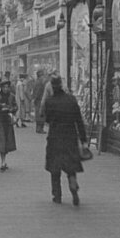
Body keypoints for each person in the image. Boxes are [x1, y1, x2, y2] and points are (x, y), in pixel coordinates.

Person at [43, 75, 87, 206]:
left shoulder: (50, 102)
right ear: (61, 85)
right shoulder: (71, 100)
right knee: (70, 165)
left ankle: (57, 195)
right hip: (70, 137)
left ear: (52, 86)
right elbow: (79, 120)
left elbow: (47, 119)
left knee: (55, 167)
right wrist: (83, 138)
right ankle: (72, 183)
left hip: (55, 137)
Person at [0, 80, 18, 171]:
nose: (6, 89)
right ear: (1, 88)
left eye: (7, 87)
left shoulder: (12, 97)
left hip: (8, 120)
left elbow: (15, 107)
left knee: (7, 141)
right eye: (4, 87)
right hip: (0, 120)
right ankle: (2, 161)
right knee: (1, 140)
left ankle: (4, 159)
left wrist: (11, 109)